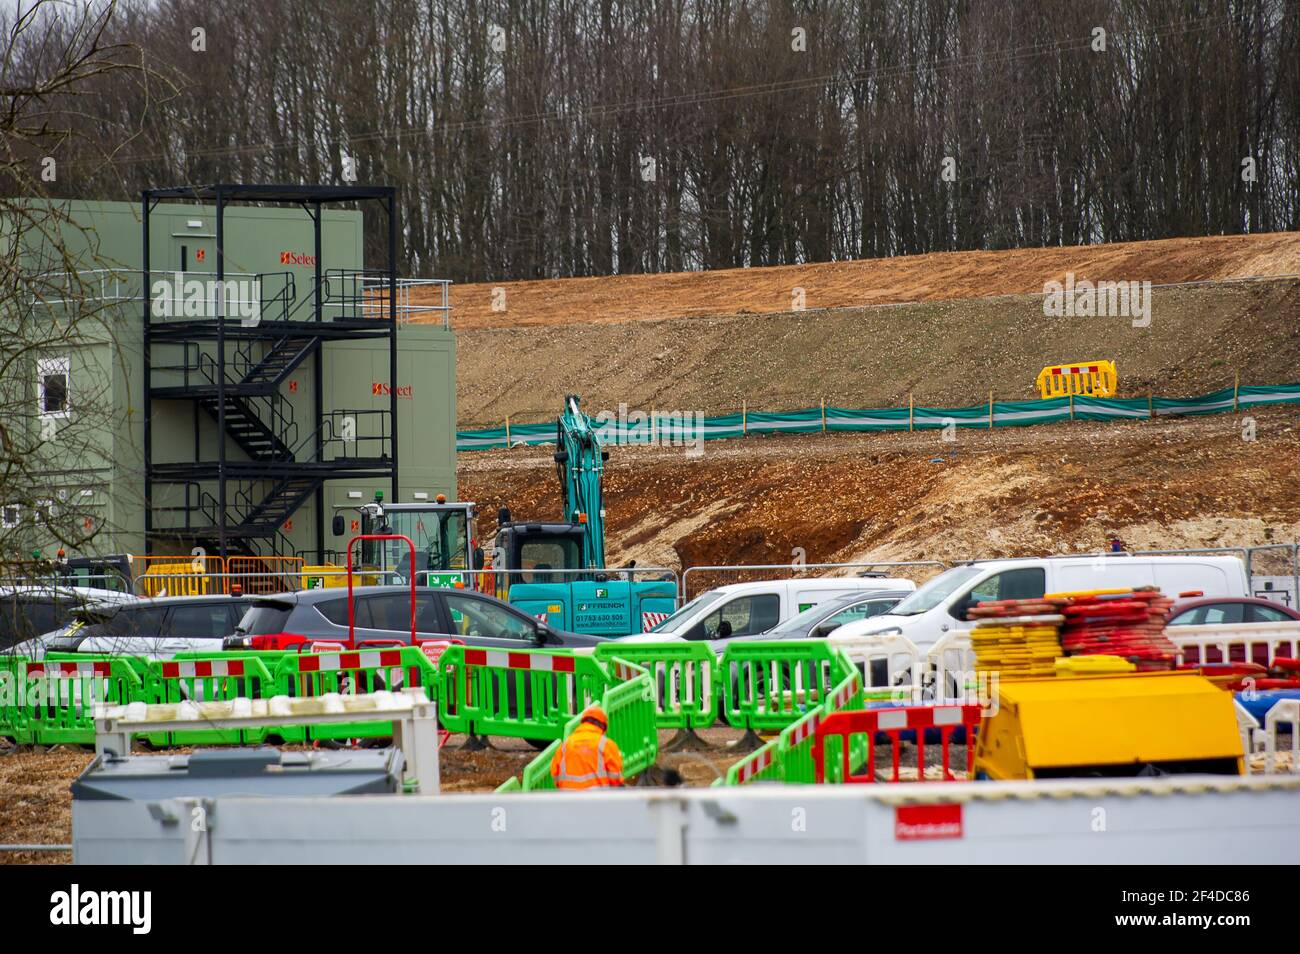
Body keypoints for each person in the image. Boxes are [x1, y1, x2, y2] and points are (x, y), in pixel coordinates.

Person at [550, 705, 624, 789]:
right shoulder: (606, 744)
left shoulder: (566, 745)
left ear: (583, 723)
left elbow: (554, 772)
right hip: (597, 799)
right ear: (603, 726)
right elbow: (615, 778)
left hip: (569, 798)